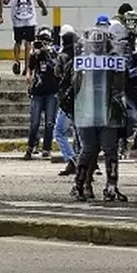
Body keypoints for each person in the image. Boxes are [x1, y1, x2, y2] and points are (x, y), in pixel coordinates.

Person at [71, 17, 129, 201]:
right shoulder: (81, 62)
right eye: (93, 44)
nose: (96, 47)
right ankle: (79, 185)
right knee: (88, 150)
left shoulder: (113, 60)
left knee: (110, 150)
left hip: (108, 110)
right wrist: (79, 72)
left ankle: (111, 186)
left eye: (100, 43)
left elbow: (120, 87)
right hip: (88, 110)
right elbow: (76, 87)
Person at [23, 26, 59, 159]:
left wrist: (47, 54)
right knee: (35, 122)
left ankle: (47, 148)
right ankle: (31, 146)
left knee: (50, 122)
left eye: (45, 41)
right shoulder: (35, 54)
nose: (42, 44)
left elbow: (57, 67)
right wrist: (28, 75)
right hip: (38, 91)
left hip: (51, 91)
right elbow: (29, 68)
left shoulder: (55, 52)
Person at [54, 24, 80, 176]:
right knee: (79, 133)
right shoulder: (81, 55)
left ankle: (72, 159)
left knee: (59, 132)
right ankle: (80, 161)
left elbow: (57, 74)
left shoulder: (63, 55)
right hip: (81, 97)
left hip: (68, 99)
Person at [0, 0, 47, 76]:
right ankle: (27, 66)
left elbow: (6, 1)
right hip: (30, 20)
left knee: (17, 42)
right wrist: (43, 8)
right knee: (28, 43)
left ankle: (17, 61)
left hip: (17, 21)